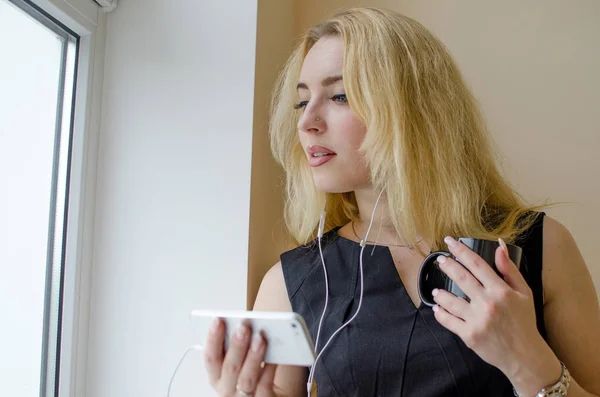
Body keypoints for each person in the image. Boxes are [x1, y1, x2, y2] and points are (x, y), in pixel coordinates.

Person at [203, 7, 600, 397]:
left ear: (415, 108)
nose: (307, 122)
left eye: (340, 96)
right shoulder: (291, 284)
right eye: (302, 101)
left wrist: (527, 363)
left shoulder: (540, 248)